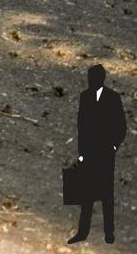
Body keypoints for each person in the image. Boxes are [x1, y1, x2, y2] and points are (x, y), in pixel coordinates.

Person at [74, 64, 128, 244]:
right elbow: (82, 126)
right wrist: (81, 152)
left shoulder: (112, 98)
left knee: (106, 193)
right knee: (87, 192)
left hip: (105, 151)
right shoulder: (85, 96)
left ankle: (109, 233)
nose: (91, 81)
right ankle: (83, 232)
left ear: (101, 78)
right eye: (90, 77)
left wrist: (113, 146)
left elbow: (121, 125)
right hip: (89, 150)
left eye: (94, 77)